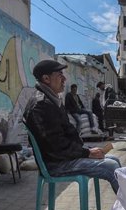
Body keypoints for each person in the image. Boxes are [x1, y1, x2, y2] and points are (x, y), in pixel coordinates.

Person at [24, 60, 121, 192]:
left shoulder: (52, 99)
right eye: (59, 75)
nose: (64, 79)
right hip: (55, 164)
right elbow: (56, 145)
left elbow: (68, 133)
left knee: (114, 158)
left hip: (62, 157)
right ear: (46, 78)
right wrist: (86, 153)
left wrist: (87, 150)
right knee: (111, 166)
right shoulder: (41, 105)